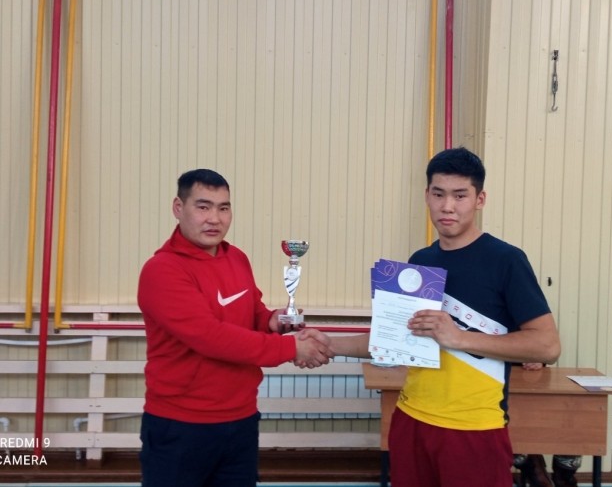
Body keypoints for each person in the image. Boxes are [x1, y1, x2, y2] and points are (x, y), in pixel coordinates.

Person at [323, 147, 561, 487]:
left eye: (460, 195)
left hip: (474, 428)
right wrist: (328, 344)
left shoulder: (506, 260)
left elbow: (547, 345)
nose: (447, 206)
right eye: (439, 194)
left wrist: (459, 338)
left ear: (480, 199)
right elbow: (396, 339)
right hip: (411, 419)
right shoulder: (420, 261)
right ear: (427, 196)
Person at [137, 168, 332, 487]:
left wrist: (273, 321)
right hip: (180, 425)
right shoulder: (162, 270)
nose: (214, 219)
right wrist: (291, 348)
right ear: (178, 208)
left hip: (241, 420)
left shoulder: (237, 258)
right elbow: (211, 337)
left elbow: (251, 312)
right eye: (203, 207)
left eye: (223, 208)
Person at [513, 363, 581, 487]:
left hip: (534, 374)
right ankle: (535, 471)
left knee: (572, 425)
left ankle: (563, 478)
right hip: (496, 376)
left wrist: (539, 359)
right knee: (513, 433)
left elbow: (550, 353)